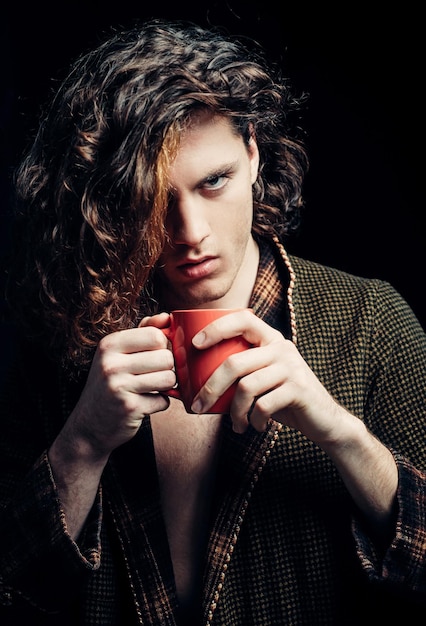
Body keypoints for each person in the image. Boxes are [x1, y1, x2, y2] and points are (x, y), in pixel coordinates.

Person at [0, 18, 425, 626]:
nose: (190, 235)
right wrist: (82, 444)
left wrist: (342, 435)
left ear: (253, 154)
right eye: (151, 198)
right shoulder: (66, 348)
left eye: (214, 182)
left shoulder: (372, 323)